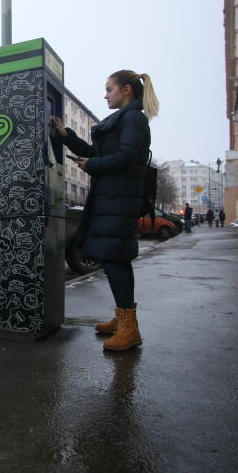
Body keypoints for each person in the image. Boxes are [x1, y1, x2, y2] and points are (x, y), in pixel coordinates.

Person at [52, 70, 158, 352]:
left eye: (109, 89)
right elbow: (100, 154)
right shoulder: (126, 119)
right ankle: (124, 318)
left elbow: (126, 157)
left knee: (114, 260)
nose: (105, 94)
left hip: (118, 199)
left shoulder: (134, 119)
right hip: (113, 198)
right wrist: (66, 135)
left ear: (126, 89)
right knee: (117, 260)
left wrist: (92, 166)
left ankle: (129, 327)